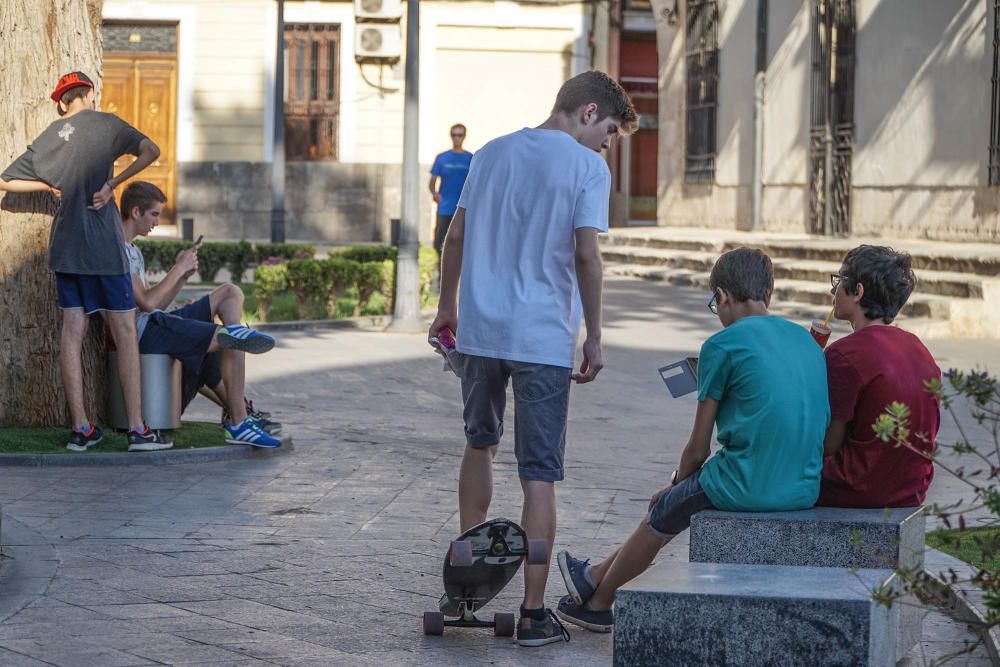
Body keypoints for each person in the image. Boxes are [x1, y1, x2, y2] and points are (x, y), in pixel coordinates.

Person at [428, 70, 638, 647]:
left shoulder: (491, 152)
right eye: (611, 131)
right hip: (543, 338)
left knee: (479, 444)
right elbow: (587, 256)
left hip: (480, 330)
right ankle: (532, 611)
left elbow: (456, 237)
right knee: (539, 475)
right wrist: (594, 333)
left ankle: (468, 587)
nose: (607, 143)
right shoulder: (588, 168)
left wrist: (448, 306)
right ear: (589, 111)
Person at [554, 248, 829, 633]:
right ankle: (595, 574)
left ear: (722, 297)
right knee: (674, 501)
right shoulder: (805, 341)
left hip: (748, 483)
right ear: (768, 294)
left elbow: (697, 449)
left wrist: (672, 485)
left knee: (664, 511)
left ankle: (599, 603)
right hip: (803, 486)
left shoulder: (722, 345)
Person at [0, 71, 171, 452]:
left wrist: (48, 184)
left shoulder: (52, 135)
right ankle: (138, 430)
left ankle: (81, 429)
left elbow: (5, 181)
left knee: (71, 333)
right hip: (104, 250)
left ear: (62, 101)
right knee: (125, 333)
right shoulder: (109, 125)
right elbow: (152, 151)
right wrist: (114, 184)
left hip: (66, 248)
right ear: (90, 93)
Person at [120, 181, 282, 448]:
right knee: (232, 339)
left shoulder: (134, 250)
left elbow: (156, 303)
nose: (157, 222)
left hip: (157, 321)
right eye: (154, 214)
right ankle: (239, 422)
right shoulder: (120, 250)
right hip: (145, 331)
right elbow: (148, 305)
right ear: (135, 212)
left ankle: (235, 339)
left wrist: (181, 276)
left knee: (230, 292)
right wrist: (177, 268)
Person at [818, 245, 941, 508]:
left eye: (839, 282)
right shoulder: (919, 349)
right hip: (912, 488)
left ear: (858, 292)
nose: (833, 291)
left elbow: (828, 445)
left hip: (856, 486)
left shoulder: (845, 355)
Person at [428, 124, 473, 255]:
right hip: (445, 207)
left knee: (462, 243)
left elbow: (475, 182)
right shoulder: (442, 158)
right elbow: (432, 181)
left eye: (459, 135)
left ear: (464, 136)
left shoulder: (471, 158)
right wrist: (434, 193)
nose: (456, 138)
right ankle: (440, 273)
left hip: (463, 208)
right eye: (454, 135)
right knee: (440, 244)